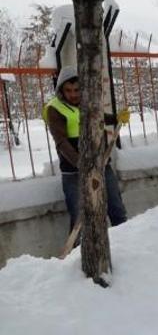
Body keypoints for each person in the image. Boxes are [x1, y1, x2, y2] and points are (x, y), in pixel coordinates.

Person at [42, 66, 130, 233]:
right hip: (74, 173)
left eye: (77, 89)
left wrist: (116, 118)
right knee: (80, 221)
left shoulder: (88, 102)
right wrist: (82, 164)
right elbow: (61, 142)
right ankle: (79, 256)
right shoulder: (55, 109)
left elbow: (99, 118)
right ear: (61, 89)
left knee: (117, 211)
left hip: (102, 165)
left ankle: (126, 248)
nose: (73, 94)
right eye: (68, 90)